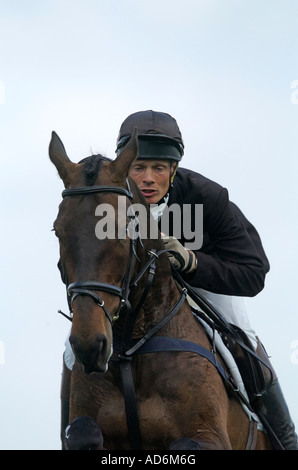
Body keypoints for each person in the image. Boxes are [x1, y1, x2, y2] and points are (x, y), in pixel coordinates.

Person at [114, 109, 298, 450]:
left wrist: (190, 260)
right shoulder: (109, 202)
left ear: (174, 169)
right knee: (72, 349)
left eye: (158, 168)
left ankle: (284, 440)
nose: (148, 178)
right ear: (124, 167)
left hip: (203, 284)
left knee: (245, 340)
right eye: (138, 167)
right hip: (136, 291)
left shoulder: (207, 197)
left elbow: (254, 272)